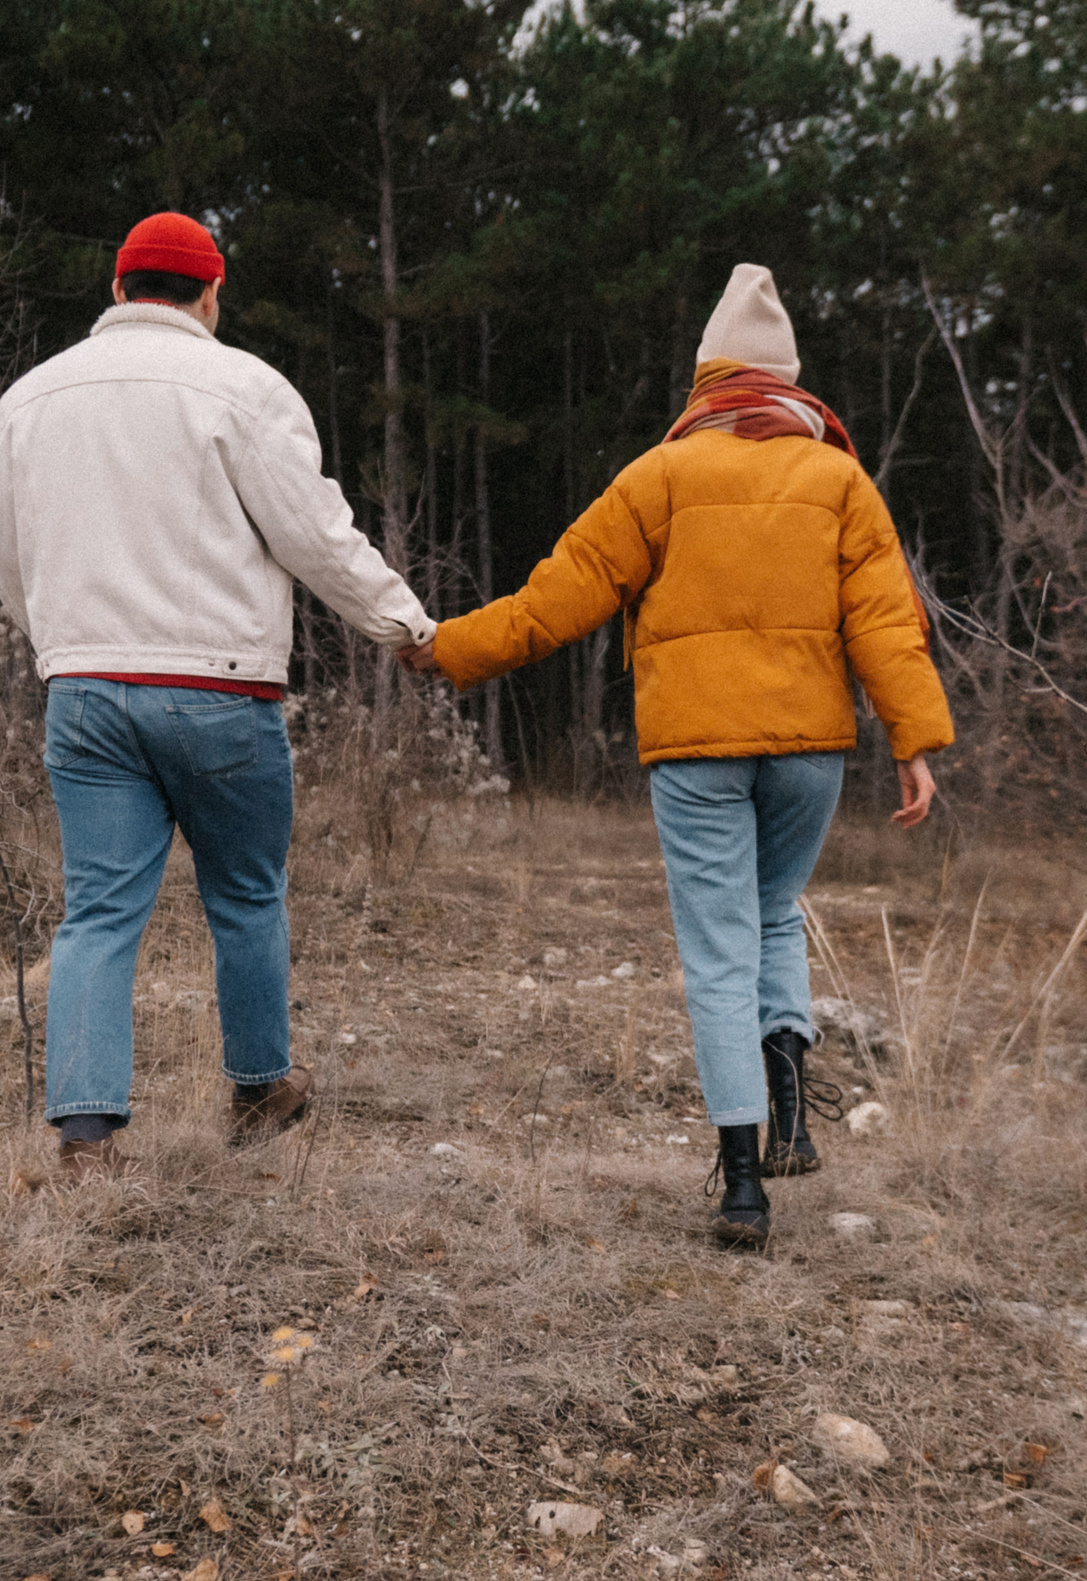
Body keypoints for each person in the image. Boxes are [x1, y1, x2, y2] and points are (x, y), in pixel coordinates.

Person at [401, 264, 953, 1246]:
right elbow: (886, 623)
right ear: (790, 385)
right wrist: (914, 740)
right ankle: (787, 1119)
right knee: (775, 910)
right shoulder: (836, 479)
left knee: (717, 948)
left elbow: (551, 602)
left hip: (696, 749)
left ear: (708, 383)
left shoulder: (658, 476)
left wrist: (448, 649)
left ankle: (743, 1185)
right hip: (809, 748)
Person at [0, 211, 436, 1179]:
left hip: (87, 689)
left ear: (116, 290)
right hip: (218, 689)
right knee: (246, 893)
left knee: (99, 912)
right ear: (212, 293)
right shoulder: (244, 386)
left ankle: (87, 1135)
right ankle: (259, 1086)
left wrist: (61, 644)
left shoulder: (31, 395)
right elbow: (316, 535)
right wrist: (406, 627)